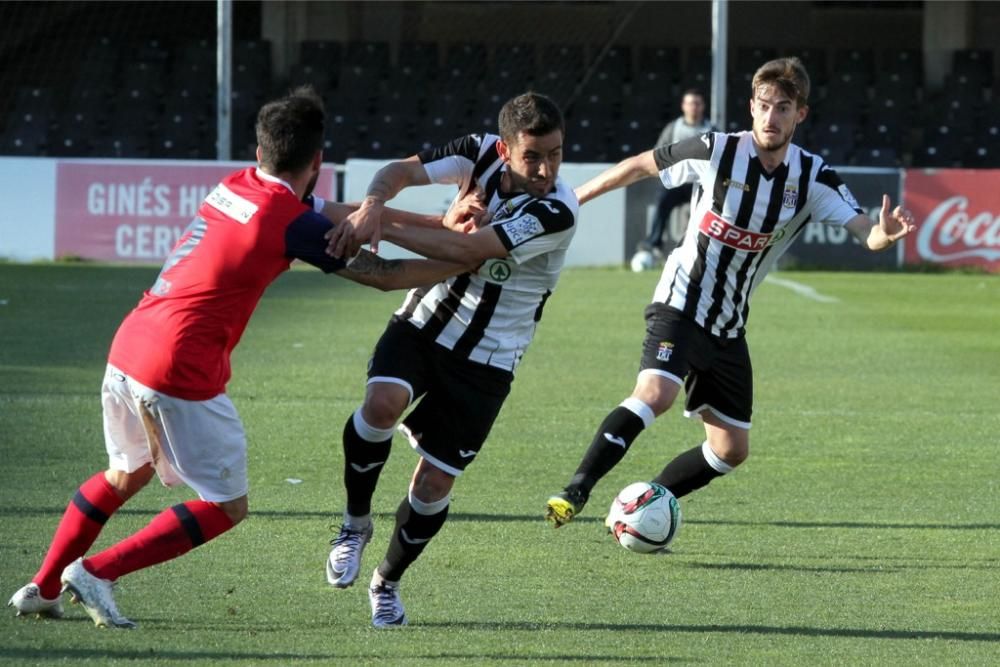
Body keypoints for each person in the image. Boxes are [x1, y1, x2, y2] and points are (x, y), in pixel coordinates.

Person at [7, 86, 473, 628]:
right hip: (179, 366)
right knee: (227, 506)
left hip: (130, 345)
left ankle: (42, 587)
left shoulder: (237, 186)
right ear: (319, 162)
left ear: (260, 153)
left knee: (124, 472)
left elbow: (344, 214)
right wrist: (465, 260)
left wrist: (439, 225)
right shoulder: (291, 222)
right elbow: (385, 277)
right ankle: (97, 572)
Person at [545, 57, 916, 533]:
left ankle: (645, 501)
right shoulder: (715, 149)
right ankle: (575, 490)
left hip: (729, 325)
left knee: (730, 449)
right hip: (680, 302)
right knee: (655, 393)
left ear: (800, 114)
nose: (771, 117)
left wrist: (884, 235)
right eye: (764, 106)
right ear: (751, 107)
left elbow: (866, 231)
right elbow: (640, 166)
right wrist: (572, 199)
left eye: (783, 107)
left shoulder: (813, 178)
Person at [323, 92, 577, 628]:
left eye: (555, 154)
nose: (546, 168)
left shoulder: (557, 209)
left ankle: (386, 581)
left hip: (489, 358)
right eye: (533, 156)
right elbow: (398, 170)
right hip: (424, 321)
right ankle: (354, 523)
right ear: (505, 150)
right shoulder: (475, 151)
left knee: (434, 485)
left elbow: (468, 250)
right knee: (381, 402)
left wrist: (386, 226)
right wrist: (372, 204)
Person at [634, 89, 715, 266]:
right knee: (662, 202)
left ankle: (707, 250)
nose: (694, 107)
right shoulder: (673, 128)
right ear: (683, 106)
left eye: (697, 103)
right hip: (677, 182)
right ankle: (653, 245)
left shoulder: (711, 130)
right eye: (690, 103)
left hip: (700, 184)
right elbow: (658, 152)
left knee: (709, 212)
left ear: (703, 106)